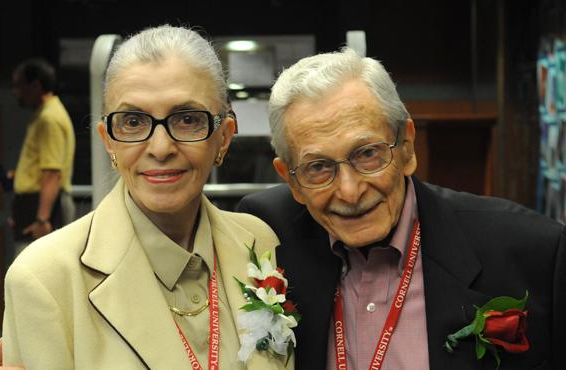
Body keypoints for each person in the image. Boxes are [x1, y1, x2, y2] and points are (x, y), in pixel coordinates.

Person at [238, 48, 566, 369]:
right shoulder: (267, 231)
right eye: (319, 167)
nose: (350, 192)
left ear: (407, 148)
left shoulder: (533, 253)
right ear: (291, 180)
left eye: (367, 154)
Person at [0, 25, 295, 370]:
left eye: (187, 119)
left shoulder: (259, 242)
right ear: (109, 141)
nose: (161, 148)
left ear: (224, 137)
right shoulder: (45, 279)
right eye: (134, 121)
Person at [10, 58, 76, 253]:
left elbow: (52, 173)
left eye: (19, 86)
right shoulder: (43, 114)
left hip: (46, 208)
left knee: (35, 276)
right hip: (35, 205)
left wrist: (42, 219)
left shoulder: (49, 118)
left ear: (36, 85)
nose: (16, 92)